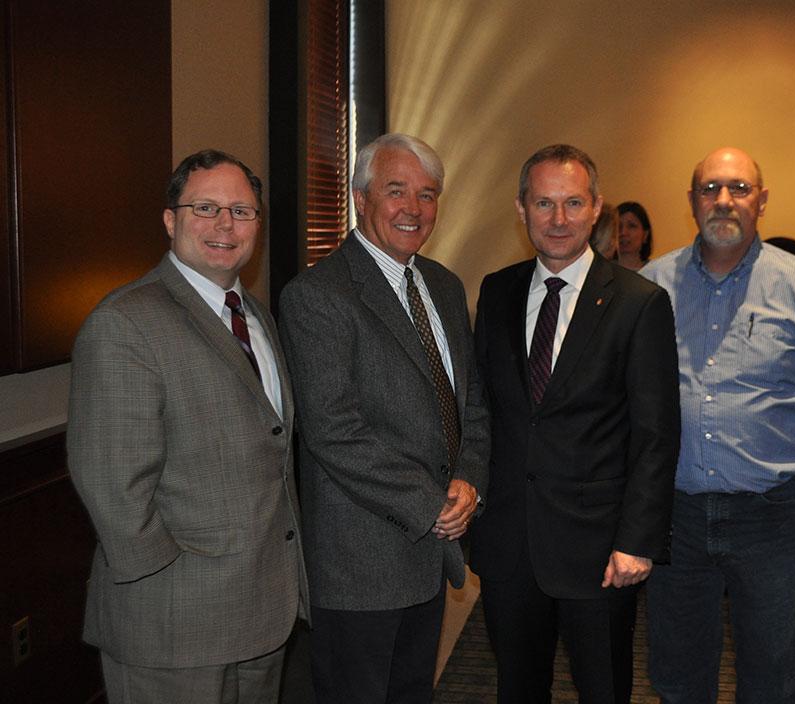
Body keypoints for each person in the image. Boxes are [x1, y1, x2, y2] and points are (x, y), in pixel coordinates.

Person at [67, 150, 307, 703]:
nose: (225, 224)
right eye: (206, 207)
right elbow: (112, 485)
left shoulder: (255, 315)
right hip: (174, 629)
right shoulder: (125, 323)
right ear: (171, 220)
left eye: (242, 212)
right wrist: (174, 589)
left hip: (262, 614)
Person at [279, 133, 490, 704]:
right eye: (396, 191)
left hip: (428, 552)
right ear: (358, 198)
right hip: (360, 564)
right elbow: (335, 432)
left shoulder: (444, 286)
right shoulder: (317, 296)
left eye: (428, 194)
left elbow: (469, 402)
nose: (414, 209)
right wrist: (433, 506)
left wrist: (469, 481)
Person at [471, 144, 680, 703]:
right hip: (510, 544)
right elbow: (484, 409)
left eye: (572, 203)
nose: (558, 219)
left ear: (596, 209)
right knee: (517, 689)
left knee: (603, 691)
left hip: (600, 552)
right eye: (544, 203)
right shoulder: (497, 290)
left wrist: (638, 541)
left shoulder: (640, 302)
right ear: (521, 209)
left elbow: (657, 435)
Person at [640, 147, 795, 703]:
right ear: (691, 201)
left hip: (772, 516)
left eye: (739, 188)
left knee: (770, 671)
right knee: (677, 671)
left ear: (762, 200)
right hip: (675, 514)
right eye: (710, 189)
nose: (723, 201)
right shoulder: (650, 286)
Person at [616, 200, 653, 270]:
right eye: (618, 226)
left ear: (645, 235)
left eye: (631, 226)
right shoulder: (602, 270)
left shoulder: (655, 271)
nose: (623, 232)